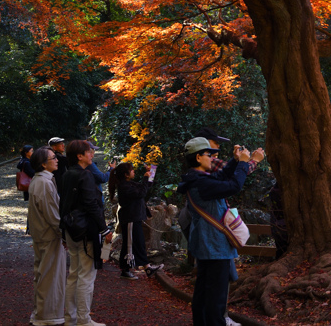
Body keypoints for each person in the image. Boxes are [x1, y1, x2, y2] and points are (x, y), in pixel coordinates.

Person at [177, 137, 264, 326]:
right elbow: (234, 186)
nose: (212, 158)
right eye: (209, 155)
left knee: (203, 294)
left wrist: (234, 161)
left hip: (206, 245)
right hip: (215, 245)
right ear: (198, 158)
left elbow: (222, 177)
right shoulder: (201, 183)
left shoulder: (196, 179)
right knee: (216, 298)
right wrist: (246, 163)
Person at [58, 140, 108, 326]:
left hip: (71, 229)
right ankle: (83, 319)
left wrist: (63, 231)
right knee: (87, 275)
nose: (92, 155)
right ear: (80, 155)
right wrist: (104, 228)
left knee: (74, 274)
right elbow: (92, 205)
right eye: (89, 152)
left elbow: (63, 204)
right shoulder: (85, 175)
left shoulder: (67, 174)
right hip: (86, 230)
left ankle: (70, 318)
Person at [28, 147, 65, 326]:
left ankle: (42, 312)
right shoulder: (44, 182)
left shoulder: (41, 180)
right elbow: (51, 212)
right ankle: (46, 315)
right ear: (43, 163)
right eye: (53, 157)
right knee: (49, 275)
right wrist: (63, 232)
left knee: (44, 273)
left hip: (42, 233)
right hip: (48, 235)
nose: (56, 159)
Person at [108, 162, 160, 280]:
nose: (134, 172)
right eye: (132, 170)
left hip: (134, 217)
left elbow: (145, 187)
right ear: (126, 174)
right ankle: (136, 269)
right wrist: (146, 177)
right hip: (130, 218)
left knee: (135, 243)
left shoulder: (129, 184)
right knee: (132, 244)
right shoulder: (124, 187)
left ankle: (141, 268)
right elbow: (141, 192)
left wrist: (151, 172)